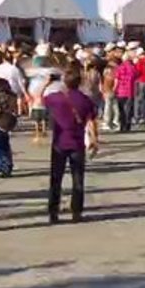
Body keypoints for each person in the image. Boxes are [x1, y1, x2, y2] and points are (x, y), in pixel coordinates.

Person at [43, 68, 98, 224]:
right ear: (79, 82)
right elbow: (91, 120)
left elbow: (39, 100)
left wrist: (46, 84)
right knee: (78, 179)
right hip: (77, 142)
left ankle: (53, 212)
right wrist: (95, 139)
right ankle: (77, 211)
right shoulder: (85, 100)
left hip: (59, 142)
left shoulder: (55, 98)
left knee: (56, 179)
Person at [114, 53, 137, 132]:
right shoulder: (132, 68)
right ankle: (127, 125)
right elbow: (136, 77)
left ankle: (122, 125)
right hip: (130, 91)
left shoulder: (119, 68)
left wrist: (114, 89)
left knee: (121, 110)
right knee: (128, 109)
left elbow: (117, 80)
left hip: (120, 91)